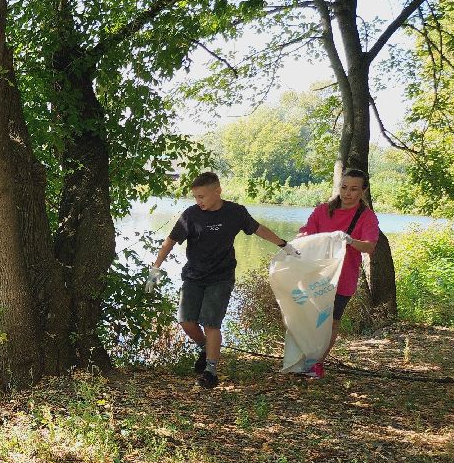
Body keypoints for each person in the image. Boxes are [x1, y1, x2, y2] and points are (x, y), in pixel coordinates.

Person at [149, 172, 290, 389]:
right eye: (196, 197)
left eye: (202, 196)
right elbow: (170, 241)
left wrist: (283, 244)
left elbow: (258, 229)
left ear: (218, 192)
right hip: (193, 276)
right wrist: (156, 267)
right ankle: (206, 348)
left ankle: (210, 372)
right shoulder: (191, 215)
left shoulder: (235, 212)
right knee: (186, 321)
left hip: (221, 277)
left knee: (211, 323)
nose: (199, 201)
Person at [295, 167, 380, 379]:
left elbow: (369, 247)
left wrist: (350, 241)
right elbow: (308, 233)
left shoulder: (367, 217)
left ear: (363, 191)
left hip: (343, 279)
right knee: (309, 319)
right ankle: (301, 358)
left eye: (353, 189)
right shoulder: (323, 210)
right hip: (315, 275)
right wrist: (302, 236)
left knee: (331, 321)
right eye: (344, 187)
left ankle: (316, 364)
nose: (347, 193)